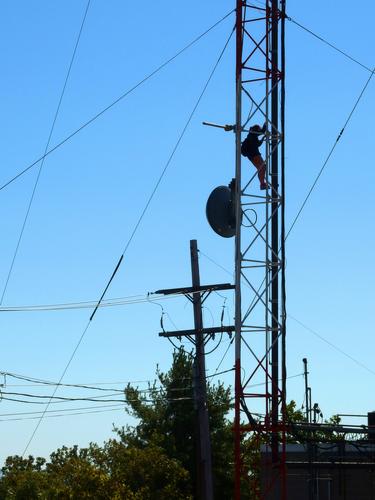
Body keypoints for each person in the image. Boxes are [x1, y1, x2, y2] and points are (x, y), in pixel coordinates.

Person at [241, 123, 267, 190]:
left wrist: (263, 138)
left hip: (251, 155)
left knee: (261, 168)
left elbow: (257, 144)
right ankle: (262, 183)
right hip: (254, 154)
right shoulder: (253, 134)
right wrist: (265, 124)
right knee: (262, 167)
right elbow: (262, 131)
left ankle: (262, 184)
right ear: (257, 129)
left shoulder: (251, 135)